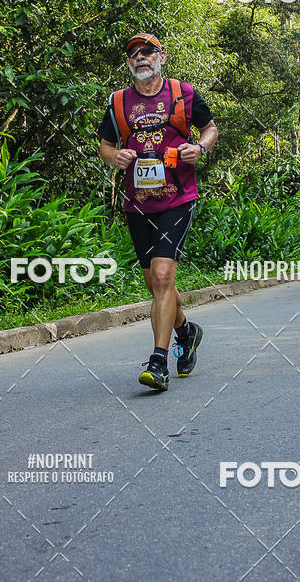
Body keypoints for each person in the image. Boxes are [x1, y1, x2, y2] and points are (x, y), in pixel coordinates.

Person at [97, 32, 218, 392]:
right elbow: (106, 144)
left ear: (161, 57)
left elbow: (210, 128)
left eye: (147, 51)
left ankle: (158, 361)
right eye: (133, 53)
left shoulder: (183, 93)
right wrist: (114, 157)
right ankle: (186, 330)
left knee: (164, 276)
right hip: (138, 203)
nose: (139, 57)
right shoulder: (118, 102)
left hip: (177, 198)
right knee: (155, 284)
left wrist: (200, 147)